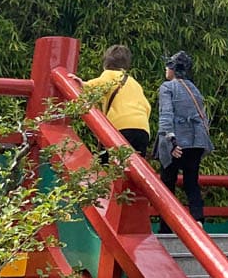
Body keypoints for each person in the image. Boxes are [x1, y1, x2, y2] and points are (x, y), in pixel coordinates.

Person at [157, 50, 213, 226]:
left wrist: (171, 141)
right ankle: (198, 220)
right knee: (191, 183)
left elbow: (166, 114)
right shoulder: (194, 89)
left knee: (167, 184)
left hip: (177, 142)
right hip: (197, 142)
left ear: (173, 68)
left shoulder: (167, 87)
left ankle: (167, 225)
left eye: (168, 65)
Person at [77, 44, 152, 161]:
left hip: (121, 128)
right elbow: (147, 107)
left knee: (106, 165)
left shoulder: (109, 74)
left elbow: (97, 85)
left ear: (105, 64)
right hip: (142, 130)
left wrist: (82, 84)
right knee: (135, 167)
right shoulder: (134, 83)